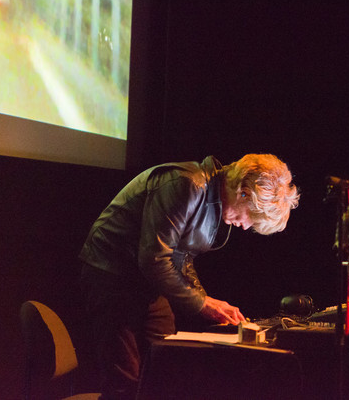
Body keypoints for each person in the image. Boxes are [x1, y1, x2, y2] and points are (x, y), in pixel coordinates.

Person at [78, 153, 299, 400]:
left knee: (165, 367)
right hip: (111, 274)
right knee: (124, 382)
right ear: (243, 192)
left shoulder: (212, 200)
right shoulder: (187, 184)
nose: (246, 226)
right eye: (250, 216)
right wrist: (201, 303)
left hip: (146, 282)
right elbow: (154, 259)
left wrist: (206, 301)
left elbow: (181, 258)